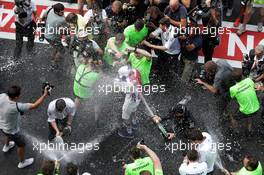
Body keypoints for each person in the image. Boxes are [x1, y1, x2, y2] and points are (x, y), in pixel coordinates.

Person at [0, 85, 49, 168]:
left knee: (7, 133)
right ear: (16, 97)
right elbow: (35, 105)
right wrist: (44, 95)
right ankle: (22, 162)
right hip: (12, 130)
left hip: (2, 125)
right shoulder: (16, 106)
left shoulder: (2, 96)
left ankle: (7, 146)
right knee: (21, 145)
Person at [230, 70, 260, 136]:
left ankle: (236, 131)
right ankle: (249, 130)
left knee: (233, 117)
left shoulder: (232, 89)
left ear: (233, 79)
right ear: (242, 76)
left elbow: (233, 97)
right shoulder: (249, 80)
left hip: (246, 111)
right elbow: (254, 87)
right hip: (257, 108)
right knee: (249, 116)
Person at [73, 56, 101, 126]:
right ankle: (97, 119)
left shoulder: (80, 67)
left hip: (76, 90)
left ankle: (73, 112)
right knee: (97, 100)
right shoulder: (95, 75)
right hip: (86, 94)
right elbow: (97, 83)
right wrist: (99, 68)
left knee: (78, 98)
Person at [117, 66, 142, 138]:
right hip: (137, 99)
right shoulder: (136, 75)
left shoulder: (128, 85)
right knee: (134, 110)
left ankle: (129, 131)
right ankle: (134, 122)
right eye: (131, 73)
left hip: (129, 102)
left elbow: (123, 90)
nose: (132, 74)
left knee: (125, 117)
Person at [42, 3, 68, 68]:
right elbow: (67, 27)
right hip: (52, 37)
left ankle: (53, 57)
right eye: (61, 12)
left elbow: (43, 16)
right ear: (56, 11)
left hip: (47, 33)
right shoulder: (60, 20)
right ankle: (54, 63)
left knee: (56, 47)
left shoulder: (50, 8)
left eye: (63, 11)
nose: (63, 13)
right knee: (62, 50)